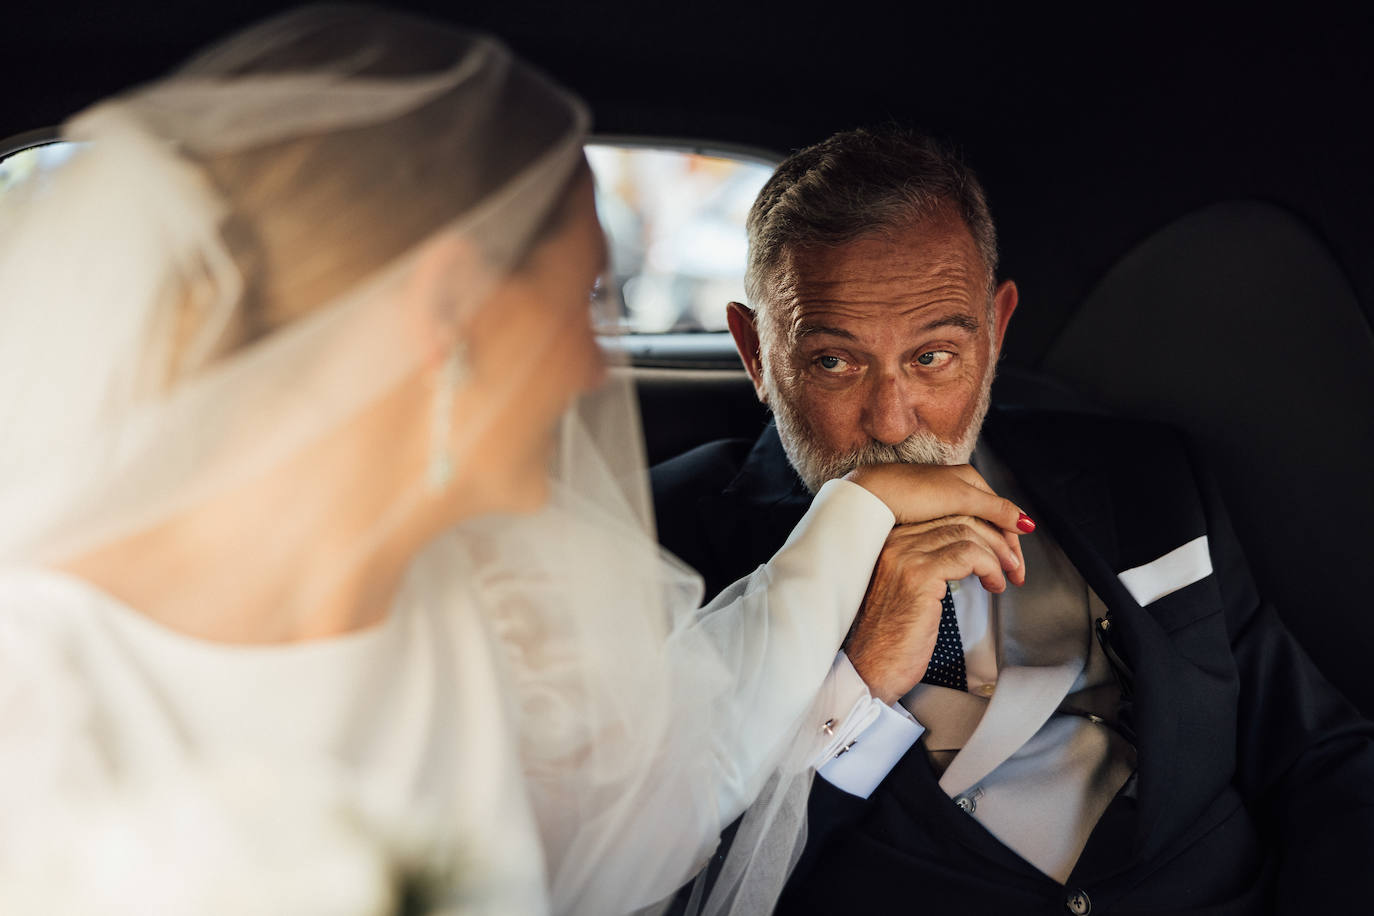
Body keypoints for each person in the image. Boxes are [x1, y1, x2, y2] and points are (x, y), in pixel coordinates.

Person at [0, 12, 1031, 915]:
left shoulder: (478, 602)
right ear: (449, 313)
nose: (596, 371)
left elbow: (674, 786)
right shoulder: (40, 702)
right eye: (584, 301)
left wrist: (854, 512)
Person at [652, 127, 1374, 913]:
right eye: (834, 362)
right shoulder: (667, 539)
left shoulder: (1146, 475)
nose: (892, 423)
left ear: (994, 332)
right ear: (758, 353)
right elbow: (666, 880)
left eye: (933, 357)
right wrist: (854, 682)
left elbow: (1320, 759)